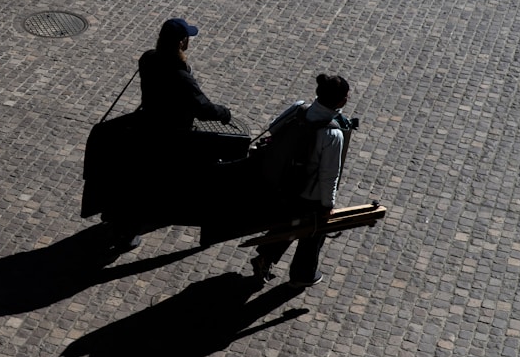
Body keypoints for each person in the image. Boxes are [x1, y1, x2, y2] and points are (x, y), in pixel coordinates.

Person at [107, 18, 233, 252]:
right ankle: (130, 231)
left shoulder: (148, 59)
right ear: (181, 42)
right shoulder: (180, 77)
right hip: (171, 134)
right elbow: (203, 109)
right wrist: (224, 113)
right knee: (153, 181)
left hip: (146, 125)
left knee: (141, 177)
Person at [249, 74, 351, 287]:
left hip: (285, 184)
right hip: (310, 194)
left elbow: (273, 128)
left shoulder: (299, 109)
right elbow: (329, 175)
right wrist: (328, 204)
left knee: (290, 224)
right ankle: (302, 275)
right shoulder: (333, 134)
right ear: (342, 101)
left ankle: (265, 258)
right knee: (314, 233)